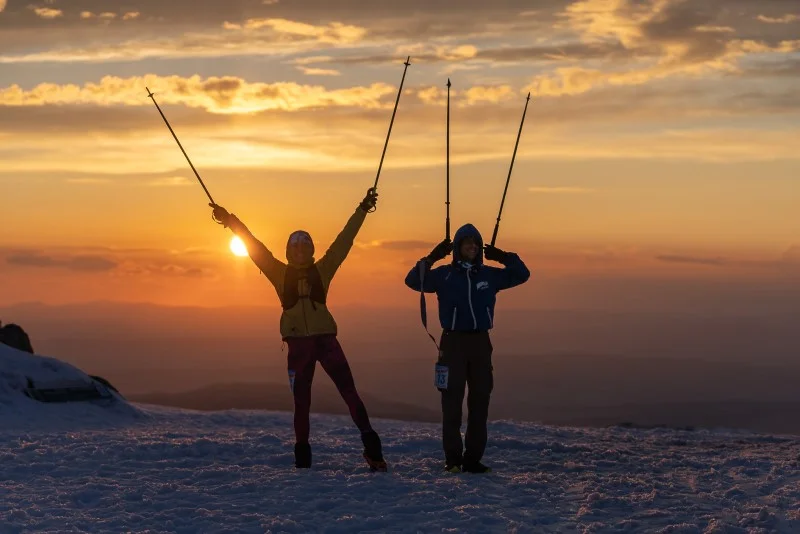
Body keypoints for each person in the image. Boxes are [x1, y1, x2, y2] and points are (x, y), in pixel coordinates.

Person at [210, 188, 387, 472]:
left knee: (335, 396)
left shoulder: (306, 270)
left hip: (309, 345)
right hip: (317, 343)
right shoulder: (297, 271)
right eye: (297, 247)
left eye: (304, 247)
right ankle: (362, 451)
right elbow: (252, 244)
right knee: (316, 400)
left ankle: (323, 458)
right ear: (291, 251)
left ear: (310, 250)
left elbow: (345, 238)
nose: (301, 251)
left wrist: (363, 209)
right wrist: (230, 221)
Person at [404, 223, 530, 473]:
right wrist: (432, 257)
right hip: (452, 343)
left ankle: (472, 460)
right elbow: (412, 280)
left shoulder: (489, 275)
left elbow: (522, 274)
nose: (472, 246)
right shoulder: (444, 275)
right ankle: (453, 459)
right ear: (458, 247)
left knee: (480, 401)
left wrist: (503, 256)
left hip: (481, 343)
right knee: (451, 402)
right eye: (466, 242)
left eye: (476, 242)